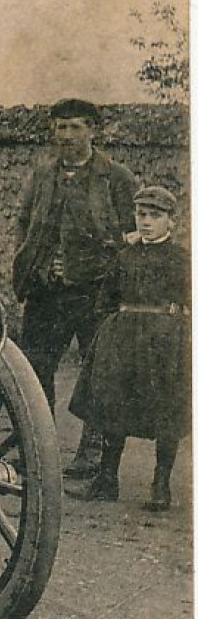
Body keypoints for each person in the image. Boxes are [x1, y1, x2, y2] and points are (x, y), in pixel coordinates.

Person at [12, 98, 138, 479]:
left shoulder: (116, 178)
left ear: (93, 131)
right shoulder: (41, 175)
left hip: (95, 291)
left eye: (76, 127)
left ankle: (92, 454)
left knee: (97, 371)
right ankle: (38, 449)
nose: (67, 136)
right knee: (35, 369)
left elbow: (132, 235)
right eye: (61, 127)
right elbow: (23, 223)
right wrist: (32, 262)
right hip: (45, 291)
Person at [66, 186, 189, 509]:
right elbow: (105, 299)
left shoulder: (182, 260)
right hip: (122, 340)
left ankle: (161, 485)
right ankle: (107, 479)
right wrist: (113, 332)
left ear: (171, 222)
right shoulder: (125, 256)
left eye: (155, 215)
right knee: (112, 404)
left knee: (167, 407)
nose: (146, 221)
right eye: (141, 214)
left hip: (165, 341)